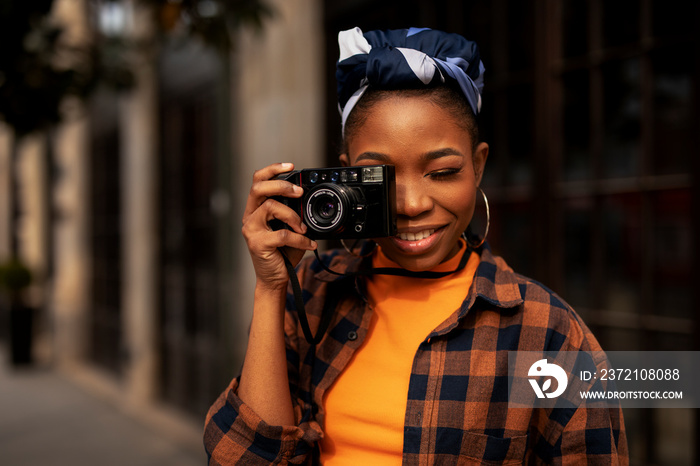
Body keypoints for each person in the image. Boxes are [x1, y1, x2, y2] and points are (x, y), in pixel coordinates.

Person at [204, 27, 628, 464]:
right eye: (380, 178)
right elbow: (245, 458)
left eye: (442, 172)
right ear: (348, 174)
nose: (410, 205)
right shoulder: (310, 292)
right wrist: (271, 287)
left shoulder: (546, 334)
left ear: (478, 166)